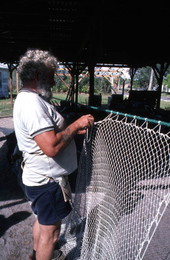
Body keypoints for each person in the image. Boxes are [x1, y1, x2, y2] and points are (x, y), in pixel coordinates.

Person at [13, 49, 94, 260]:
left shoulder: (29, 99)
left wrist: (72, 130)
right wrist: (76, 124)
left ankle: (35, 254)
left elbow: (49, 135)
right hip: (47, 182)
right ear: (38, 76)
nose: (54, 82)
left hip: (38, 177)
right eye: (50, 77)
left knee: (42, 220)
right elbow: (51, 147)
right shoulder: (32, 104)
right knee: (52, 233)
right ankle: (43, 254)